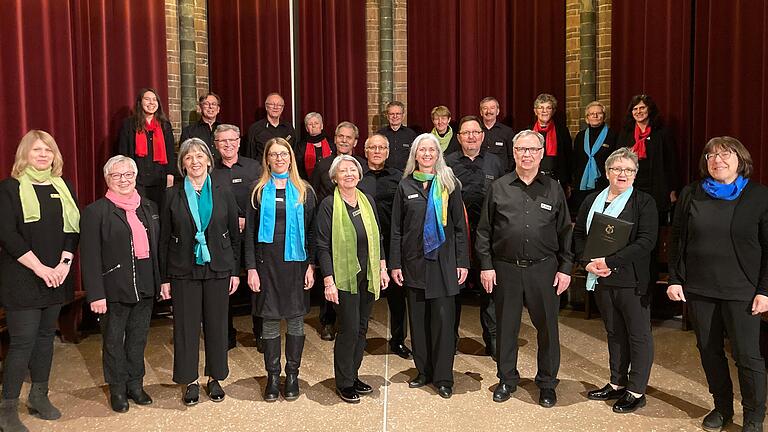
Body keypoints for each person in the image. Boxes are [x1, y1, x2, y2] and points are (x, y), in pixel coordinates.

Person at [667, 137, 768, 432]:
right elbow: (677, 240)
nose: (717, 160)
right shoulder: (691, 193)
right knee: (709, 351)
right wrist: (675, 278)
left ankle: (754, 417)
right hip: (700, 288)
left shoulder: (759, 196)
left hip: (743, 291)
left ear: (741, 159)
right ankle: (722, 408)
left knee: (747, 356)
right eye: (710, 155)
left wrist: (765, 289)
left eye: (725, 154)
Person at [475, 130, 573, 408]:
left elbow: (566, 232)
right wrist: (486, 266)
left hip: (544, 270)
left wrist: (565, 268)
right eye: (521, 149)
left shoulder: (554, 189)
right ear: (514, 153)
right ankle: (507, 379)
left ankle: (546, 383)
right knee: (506, 328)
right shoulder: (499, 187)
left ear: (541, 153)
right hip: (506, 269)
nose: (527, 154)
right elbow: (484, 231)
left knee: (548, 331)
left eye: (532, 149)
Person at [0, 130, 80, 431]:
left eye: (48, 149)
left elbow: (73, 230)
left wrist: (63, 264)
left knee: (47, 336)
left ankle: (38, 396)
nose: (43, 154)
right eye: (36, 150)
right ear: (25, 154)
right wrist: (40, 268)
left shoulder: (64, 187)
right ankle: (7, 407)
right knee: (22, 341)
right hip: (22, 275)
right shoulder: (9, 188)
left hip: (57, 274)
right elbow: (7, 234)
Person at [573, 148, 657, 414]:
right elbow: (578, 236)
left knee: (638, 335)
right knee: (614, 332)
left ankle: (636, 390)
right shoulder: (591, 201)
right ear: (608, 172)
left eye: (629, 170)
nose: (622, 174)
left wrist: (610, 262)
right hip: (599, 279)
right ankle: (617, 382)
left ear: (635, 174)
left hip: (631, 280)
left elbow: (646, 242)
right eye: (617, 169)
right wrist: (587, 263)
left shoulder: (643, 202)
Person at [159, 138, 240, 406]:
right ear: (182, 164)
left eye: (199, 156)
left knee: (217, 326)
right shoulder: (173, 194)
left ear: (208, 160)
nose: (194, 162)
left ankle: (215, 377)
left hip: (218, 266)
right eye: (188, 158)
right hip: (183, 268)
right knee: (186, 327)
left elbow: (234, 235)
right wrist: (164, 278)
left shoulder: (223, 190)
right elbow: (164, 238)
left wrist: (235, 271)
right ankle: (190, 380)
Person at [390, 133, 469, 399]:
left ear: (438, 154)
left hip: (444, 264)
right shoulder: (405, 186)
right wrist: (395, 264)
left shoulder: (450, 184)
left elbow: (460, 228)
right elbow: (397, 230)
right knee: (420, 324)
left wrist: (463, 262)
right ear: (415, 155)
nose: (426, 154)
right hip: (414, 265)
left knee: (444, 324)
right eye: (421, 150)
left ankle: (444, 377)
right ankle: (423, 371)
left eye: (431, 150)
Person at [81, 156, 160, 413]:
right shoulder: (96, 212)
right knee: (113, 342)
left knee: (138, 340)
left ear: (135, 177)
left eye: (128, 174)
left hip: (145, 286)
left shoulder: (148, 207)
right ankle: (117, 389)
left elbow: (157, 251)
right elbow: (90, 257)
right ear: (107, 180)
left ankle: (135, 385)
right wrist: (96, 295)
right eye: (117, 176)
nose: (124, 180)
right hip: (113, 290)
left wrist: (161, 283)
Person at [244, 137, 316, 402]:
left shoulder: (304, 190)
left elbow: (311, 232)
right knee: (271, 319)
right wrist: (251, 268)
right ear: (267, 159)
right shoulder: (258, 190)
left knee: (296, 318)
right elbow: (250, 234)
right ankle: (273, 376)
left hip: (297, 264)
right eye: (273, 154)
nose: (279, 158)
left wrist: (312, 265)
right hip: (267, 265)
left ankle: (293, 374)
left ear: (290, 158)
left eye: (283, 154)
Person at [316, 155, 389, 404]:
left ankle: (354, 374)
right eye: (343, 171)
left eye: (353, 170)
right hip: (343, 277)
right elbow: (322, 245)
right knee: (348, 329)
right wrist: (328, 281)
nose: (349, 174)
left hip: (367, 274)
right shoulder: (328, 205)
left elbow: (377, 236)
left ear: (359, 175)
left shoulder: (367, 200)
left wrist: (382, 268)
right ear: (335, 177)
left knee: (361, 328)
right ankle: (344, 382)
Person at [445, 116, 504, 359]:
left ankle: (493, 341)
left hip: (487, 238)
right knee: (453, 292)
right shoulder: (447, 164)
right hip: (456, 238)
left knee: (488, 291)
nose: (471, 136)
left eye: (475, 132)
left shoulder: (496, 163)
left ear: (482, 136)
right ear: (458, 137)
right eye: (466, 133)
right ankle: (450, 341)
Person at [310, 121, 369, 341]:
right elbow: (314, 195)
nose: (344, 140)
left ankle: (353, 322)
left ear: (355, 141)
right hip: (330, 228)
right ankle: (327, 321)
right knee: (332, 275)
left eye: (349, 137)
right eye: (340, 136)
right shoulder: (322, 165)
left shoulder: (360, 165)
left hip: (356, 228)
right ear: (334, 139)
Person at [209, 124, 262, 351]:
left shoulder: (255, 168)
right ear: (216, 144)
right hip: (222, 238)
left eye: (232, 140)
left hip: (253, 234)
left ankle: (261, 333)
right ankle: (225, 335)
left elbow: (264, 200)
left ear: (239, 142)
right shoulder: (210, 171)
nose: (228, 145)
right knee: (224, 287)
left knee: (257, 285)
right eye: (222, 141)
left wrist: (247, 220)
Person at [362, 134, 411, 360]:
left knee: (397, 296)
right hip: (364, 245)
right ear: (366, 151)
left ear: (388, 152)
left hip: (393, 244)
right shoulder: (357, 176)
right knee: (363, 295)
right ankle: (359, 337)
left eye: (382, 148)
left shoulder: (399, 178)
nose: (378, 151)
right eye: (373, 147)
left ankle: (398, 340)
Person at [616, 94, 679, 220]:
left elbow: (671, 161)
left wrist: (672, 189)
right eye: (635, 109)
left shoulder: (662, 132)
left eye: (642, 108)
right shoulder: (626, 133)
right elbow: (618, 160)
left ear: (649, 110)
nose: (638, 112)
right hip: (632, 186)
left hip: (657, 187)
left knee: (654, 221)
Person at [116, 87, 176, 210]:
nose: (151, 103)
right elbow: (123, 153)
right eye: (147, 99)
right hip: (137, 179)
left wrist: (170, 175)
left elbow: (170, 152)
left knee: (160, 213)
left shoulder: (165, 125)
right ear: (140, 102)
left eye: (154, 100)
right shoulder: (129, 124)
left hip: (160, 178)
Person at [570, 101, 618, 215]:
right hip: (582, 185)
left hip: (604, 184)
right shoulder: (580, 136)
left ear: (604, 116)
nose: (595, 116)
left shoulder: (613, 135)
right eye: (592, 114)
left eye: (599, 113)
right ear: (587, 118)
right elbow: (575, 160)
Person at [531, 93, 573, 190]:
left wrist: (568, 182)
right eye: (541, 108)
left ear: (553, 111)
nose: (544, 111)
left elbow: (568, 157)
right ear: (535, 111)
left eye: (548, 108)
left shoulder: (562, 131)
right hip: (533, 178)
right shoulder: (528, 131)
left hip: (556, 179)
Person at [243, 93, 297, 161]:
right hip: (262, 170)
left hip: (284, 170)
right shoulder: (255, 129)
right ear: (266, 107)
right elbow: (249, 156)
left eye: (279, 105)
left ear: (282, 108)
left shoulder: (289, 128)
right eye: (272, 104)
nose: (275, 107)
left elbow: (293, 153)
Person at [179, 92, 223, 160]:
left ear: (218, 109)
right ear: (200, 108)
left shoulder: (224, 130)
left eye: (214, 104)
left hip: (222, 169)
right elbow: (184, 156)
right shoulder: (188, 131)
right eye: (206, 104)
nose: (210, 107)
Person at [377, 101, 418, 171]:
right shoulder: (380, 134)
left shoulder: (411, 134)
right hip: (384, 174)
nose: (395, 116)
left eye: (398, 114)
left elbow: (415, 156)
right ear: (387, 116)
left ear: (403, 115)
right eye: (391, 114)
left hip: (405, 174)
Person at [479, 97, 515, 171]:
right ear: (481, 112)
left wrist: (506, 175)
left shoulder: (507, 132)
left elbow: (512, 156)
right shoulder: (475, 131)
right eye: (485, 108)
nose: (488, 111)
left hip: (501, 177)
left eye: (492, 108)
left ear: (497, 111)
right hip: (479, 175)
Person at [295, 112, 335, 180]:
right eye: (310, 124)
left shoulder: (331, 143)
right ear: (307, 128)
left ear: (321, 126)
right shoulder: (301, 146)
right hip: (307, 182)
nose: (313, 126)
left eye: (316, 123)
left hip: (329, 182)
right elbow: (298, 168)